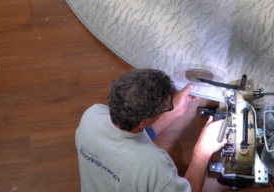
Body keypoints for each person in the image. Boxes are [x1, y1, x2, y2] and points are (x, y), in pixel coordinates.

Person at [76, 69, 227, 192]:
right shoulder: (152, 166)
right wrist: (202, 152)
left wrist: (173, 111)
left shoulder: (92, 115)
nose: (168, 107)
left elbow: (129, 134)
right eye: (166, 107)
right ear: (144, 122)